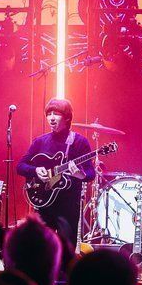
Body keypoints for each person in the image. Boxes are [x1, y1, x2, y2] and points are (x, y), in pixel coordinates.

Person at [17, 98, 95, 253]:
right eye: (49, 114)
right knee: (40, 251)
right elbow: (20, 166)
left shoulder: (79, 142)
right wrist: (35, 170)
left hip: (68, 208)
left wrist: (79, 174)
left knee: (67, 251)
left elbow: (90, 173)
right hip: (44, 204)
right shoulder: (40, 142)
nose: (51, 118)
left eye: (56, 114)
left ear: (67, 117)